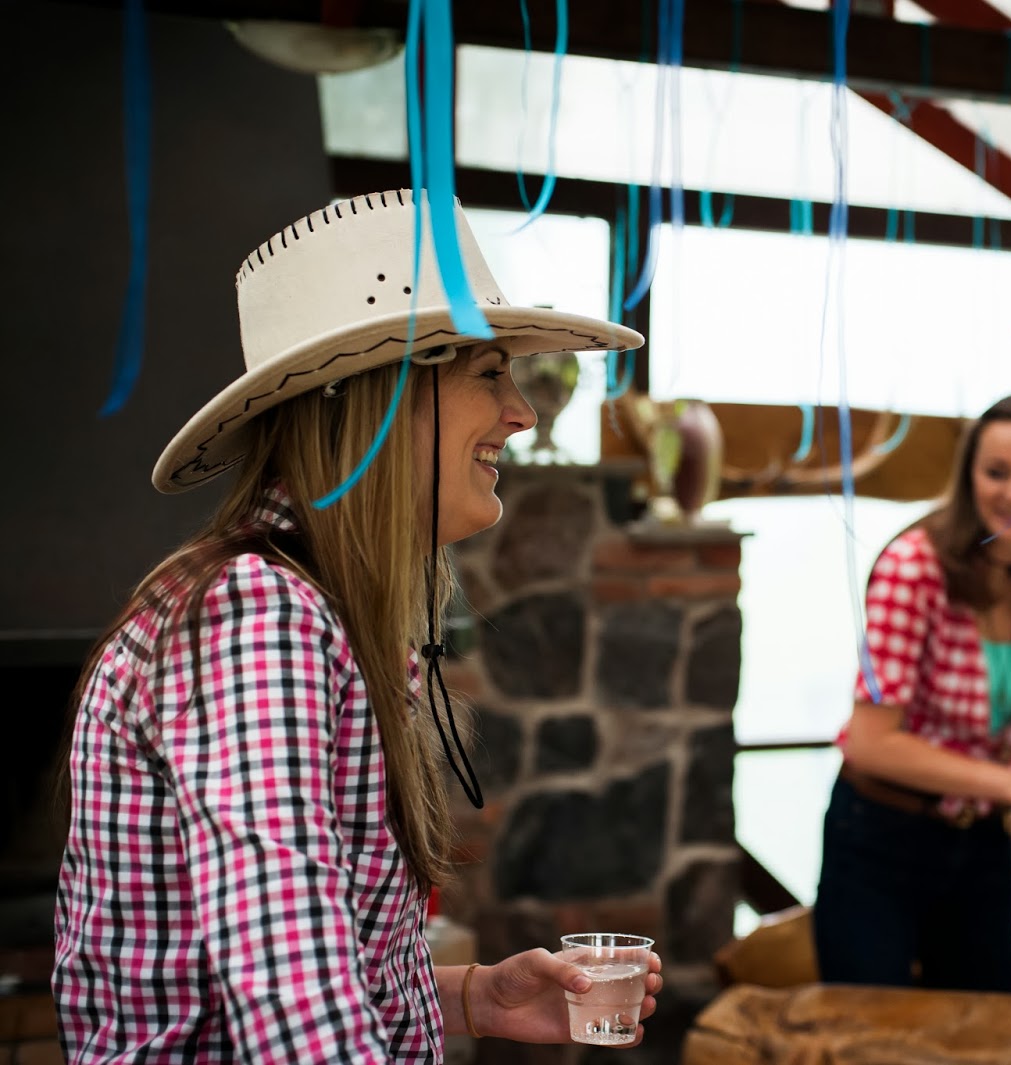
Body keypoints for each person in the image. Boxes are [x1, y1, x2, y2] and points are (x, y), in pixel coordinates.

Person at [52, 189, 665, 1061]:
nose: (523, 411)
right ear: (378, 398)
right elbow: (294, 1007)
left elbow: (307, 959)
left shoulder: (313, 608)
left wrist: (475, 995)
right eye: (489, 374)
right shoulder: (259, 615)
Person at [812, 394, 1011, 992]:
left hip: (982, 841)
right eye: (996, 472)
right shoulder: (914, 567)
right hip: (882, 832)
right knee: (868, 1026)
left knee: (987, 1019)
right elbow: (870, 743)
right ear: (969, 476)